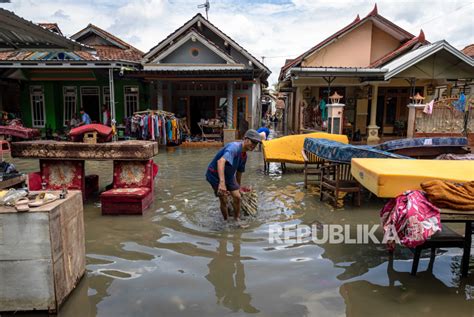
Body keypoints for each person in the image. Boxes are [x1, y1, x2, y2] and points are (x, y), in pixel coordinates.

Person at [206, 129, 262, 221]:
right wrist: (222, 183)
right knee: (223, 199)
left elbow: (239, 173)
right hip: (214, 174)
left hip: (229, 175)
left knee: (237, 197)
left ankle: (236, 219)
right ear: (246, 139)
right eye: (253, 142)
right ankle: (226, 221)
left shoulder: (244, 156)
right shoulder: (234, 148)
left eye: (256, 144)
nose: (254, 145)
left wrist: (238, 187)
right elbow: (221, 161)